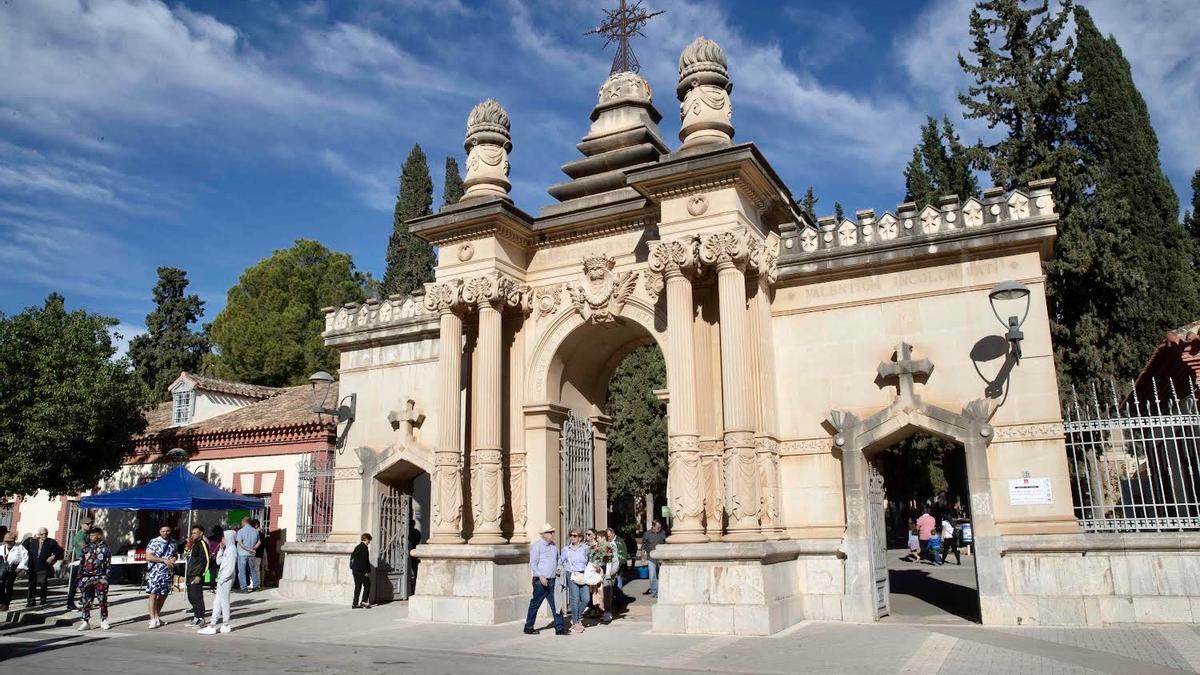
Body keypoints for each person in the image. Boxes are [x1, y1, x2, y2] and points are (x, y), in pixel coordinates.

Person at [523, 523, 568, 636]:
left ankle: (560, 628)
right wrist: (540, 576)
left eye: (552, 532)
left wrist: (558, 568)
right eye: (550, 532)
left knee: (556, 604)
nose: (553, 534)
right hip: (540, 581)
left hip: (553, 580)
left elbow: (557, 561)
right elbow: (533, 564)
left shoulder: (554, 546)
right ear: (544, 534)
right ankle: (528, 627)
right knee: (535, 604)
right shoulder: (537, 546)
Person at [199, 529, 238, 634]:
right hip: (222, 578)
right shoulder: (227, 549)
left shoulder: (232, 550)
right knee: (218, 601)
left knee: (224, 601)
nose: (222, 539)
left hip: (225, 579)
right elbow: (218, 561)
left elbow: (230, 567)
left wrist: (223, 579)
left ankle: (225, 623)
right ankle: (213, 624)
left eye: (223, 537)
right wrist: (220, 549)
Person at [76, 527, 112, 631]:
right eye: (90, 535)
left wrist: (106, 577)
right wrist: (80, 577)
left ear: (99, 536)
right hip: (86, 577)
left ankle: (104, 620)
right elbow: (81, 563)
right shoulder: (86, 548)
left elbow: (108, 564)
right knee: (85, 600)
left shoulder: (106, 549)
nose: (90, 537)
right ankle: (85, 621)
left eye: (93, 535)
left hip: (100, 577)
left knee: (102, 599)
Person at [144, 525, 178, 628]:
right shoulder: (154, 542)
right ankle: (152, 619)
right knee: (153, 594)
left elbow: (175, 554)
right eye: (163, 531)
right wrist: (164, 560)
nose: (165, 533)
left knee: (164, 595)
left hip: (167, 573)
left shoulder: (173, 542)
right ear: (160, 532)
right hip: (155, 572)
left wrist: (173, 559)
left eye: (167, 531)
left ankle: (157, 616)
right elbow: (148, 556)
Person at [559, 529, 589, 633]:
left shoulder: (585, 548)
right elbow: (560, 561)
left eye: (575, 536)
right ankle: (576, 622)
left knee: (586, 598)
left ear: (580, 537)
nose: (572, 537)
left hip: (583, 574)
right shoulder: (566, 549)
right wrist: (559, 568)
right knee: (574, 599)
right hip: (571, 574)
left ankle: (577, 617)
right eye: (571, 535)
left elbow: (590, 560)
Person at [24, 527, 62, 607]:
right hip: (32, 565)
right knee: (32, 583)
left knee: (43, 583)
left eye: (46, 533)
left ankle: (43, 599)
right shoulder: (31, 541)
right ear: (38, 534)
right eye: (42, 534)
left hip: (43, 565)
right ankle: (31, 601)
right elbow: (22, 549)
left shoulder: (51, 542)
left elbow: (60, 551)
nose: (44, 535)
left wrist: (53, 556)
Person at [184, 526, 211, 626]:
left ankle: (201, 618)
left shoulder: (202, 544)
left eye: (195, 533)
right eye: (192, 533)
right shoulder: (194, 544)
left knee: (197, 597)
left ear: (201, 534)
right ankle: (196, 616)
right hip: (190, 573)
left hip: (196, 574)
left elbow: (206, 560)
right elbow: (186, 556)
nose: (193, 535)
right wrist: (187, 547)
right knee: (191, 597)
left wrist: (200, 575)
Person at [65, 518, 92, 611]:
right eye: (88, 524)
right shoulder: (79, 536)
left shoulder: (88, 534)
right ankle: (70, 603)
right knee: (74, 584)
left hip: (87, 562)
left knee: (88, 583)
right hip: (79, 562)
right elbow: (85, 548)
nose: (90, 525)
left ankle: (83, 601)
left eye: (91, 524)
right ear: (82, 525)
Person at [1, 531, 29, 611]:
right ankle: (1, 601)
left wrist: (20, 567)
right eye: (6, 541)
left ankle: (6, 604)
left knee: (9, 585)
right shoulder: (2, 548)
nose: (8, 543)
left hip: (14, 568)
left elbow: (25, 558)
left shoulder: (20, 548)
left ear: (14, 540)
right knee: (1, 584)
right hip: (2, 568)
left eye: (10, 541)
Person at [605, 528, 632, 604]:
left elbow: (623, 556)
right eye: (607, 536)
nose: (608, 538)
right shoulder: (606, 542)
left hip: (618, 569)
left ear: (613, 534)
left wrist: (616, 567)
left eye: (609, 536)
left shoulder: (620, 542)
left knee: (619, 587)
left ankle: (620, 604)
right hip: (608, 569)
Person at [641, 520, 666, 598]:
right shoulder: (647, 534)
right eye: (658, 527)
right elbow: (643, 547)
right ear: (653, 526)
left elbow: (666, 544)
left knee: (662, 575)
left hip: (661, 557)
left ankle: (663, 591)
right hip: (651, 558)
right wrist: (643, 558)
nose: (659, 529)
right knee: (652, 575)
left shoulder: (663, 533)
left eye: (660, 527)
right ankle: (654, 591)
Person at [235, 517, 259, 592]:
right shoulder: (255, 531)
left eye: (242, 522)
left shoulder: (241, 531)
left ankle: (244, 588)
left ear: (244, 522)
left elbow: (240, 543)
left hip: (242, 554)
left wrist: (249, 549)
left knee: (242, 571)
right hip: (252, 554)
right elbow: (259, 542)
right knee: (252, 570)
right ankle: (256, 586)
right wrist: (254, 549)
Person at [350, 533, 373, 609]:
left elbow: (352, 558)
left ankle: (355, 603)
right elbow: (365, 561)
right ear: (366, 539)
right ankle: (364, 601)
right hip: (361, 571)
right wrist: (366, 572)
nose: (369, 542)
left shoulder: (357, 547)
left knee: (358, 586)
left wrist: (352, 568)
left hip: (355, 570)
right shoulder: (364, 548)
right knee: (367, 584)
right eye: (369, 540)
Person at [252, 519, 267, 588]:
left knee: (256, 569)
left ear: (256, 525)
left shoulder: (259, 534)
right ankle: (256, 584)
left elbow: (260, 543)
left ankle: (257, 584)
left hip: (257, 553)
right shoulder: (261, 534)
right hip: (259, 554)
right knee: (256, 569)